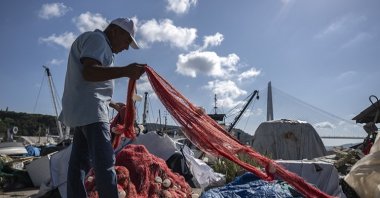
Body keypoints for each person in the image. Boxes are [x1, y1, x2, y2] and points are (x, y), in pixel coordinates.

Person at [59, 17, 145, 198]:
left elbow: (90, 83)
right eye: (127, 41)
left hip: (82, 110)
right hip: (92, 112)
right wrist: (125, 71)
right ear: (114, 31)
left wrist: (112, 103)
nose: (126, 47)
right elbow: (89, 72)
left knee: (78, 165)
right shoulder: (98, 40)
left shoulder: (97, 43)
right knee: (105, 163)